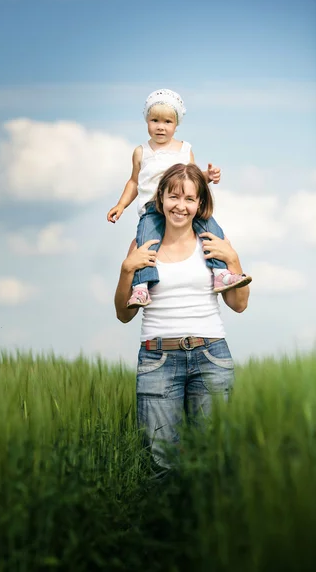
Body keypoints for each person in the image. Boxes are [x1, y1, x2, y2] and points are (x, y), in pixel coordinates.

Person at [114, 163, 250, 473]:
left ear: (200, 203)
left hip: (211, 356)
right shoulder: (141, 245)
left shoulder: (213, 242)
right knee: (161, 464)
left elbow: (238, 304)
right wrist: (126, 269)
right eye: (174, 197)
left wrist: (233, 259)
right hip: (158, 358)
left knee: (212, 460)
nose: (181, 206)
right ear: (160, 197)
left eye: (190, 199)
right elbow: (124, 314)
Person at [107, 88, 252, 309]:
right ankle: (140, 288)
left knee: (212, 230)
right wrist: (121, 204)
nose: (160, 126)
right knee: (146, 245)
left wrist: (208, 176)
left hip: (184, 204)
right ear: (146, 120)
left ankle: (221, 272)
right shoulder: (141, 152)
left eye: (167, 121)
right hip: (152, 208)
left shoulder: (184, 149)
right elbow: (135, 181)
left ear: (176, 125)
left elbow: (192, 177)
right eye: (154, 120)